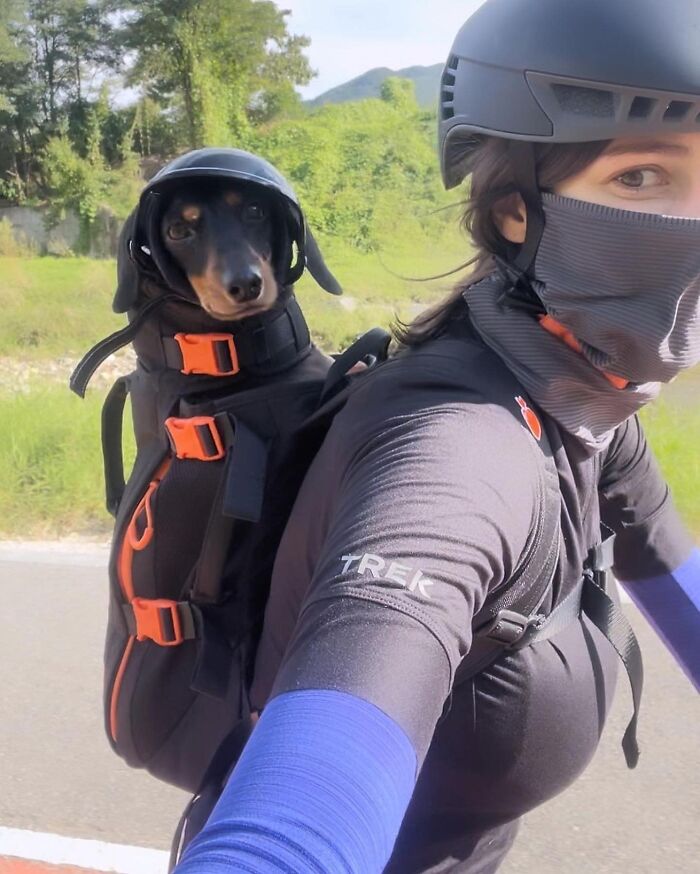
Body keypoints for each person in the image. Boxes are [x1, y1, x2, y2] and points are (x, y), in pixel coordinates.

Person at [173, 0, 700, 871]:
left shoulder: (589, 403)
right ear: (513, 212)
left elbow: (682, 590)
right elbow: (303, 821)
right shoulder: (458, 449)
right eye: (640, 177)